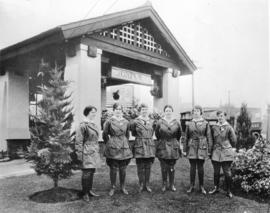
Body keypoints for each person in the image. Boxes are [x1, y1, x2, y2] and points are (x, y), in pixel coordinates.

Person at [102, 103, 133, 196]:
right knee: (113, 167)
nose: (118, 111)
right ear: (113, 110)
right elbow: (105, 134)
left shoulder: (126, 122)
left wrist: (125, 142)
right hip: (113, 146)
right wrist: (110, 142)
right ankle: (113, 187)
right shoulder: (109, 121)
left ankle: (123, 187)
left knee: (123, 168)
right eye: (116, 109)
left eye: (120, 109)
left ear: (122, 110)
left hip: (124, 146)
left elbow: (127, 135)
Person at [183, 105, 212, 195]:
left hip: (202, 146)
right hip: (192, 146)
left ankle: (201, 186)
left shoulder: (205, 123)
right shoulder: (189, 123)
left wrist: (209, 149)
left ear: (201, 112)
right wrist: (184, 149)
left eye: (197, 111)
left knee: (200, 167)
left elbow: (209, 137)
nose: (195, 113)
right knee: (192, 167)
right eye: (194, 111)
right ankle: (191, 186)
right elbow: (186, 137)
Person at [75, 105, 101, 202]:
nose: (94, 114)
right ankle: (85, 193)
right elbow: (78, 141)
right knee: (86, 173)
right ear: (87, 113)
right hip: (86, 151)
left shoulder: (93, 124)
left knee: (91, 172)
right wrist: (79, 154)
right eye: (92, 112)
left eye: (95, 112)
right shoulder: (83, 125)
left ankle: (89, 190)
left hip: (93, 151)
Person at [209, 110, 237, 198]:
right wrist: (210, 151)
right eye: (218, 116)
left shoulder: (229, 127)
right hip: (216, 152)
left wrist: (231, 149)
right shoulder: (214, 127)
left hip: (226, 152)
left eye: (222, 116)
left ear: (224, 116)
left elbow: (234, 140)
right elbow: (211, 140)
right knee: (216, 172)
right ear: (217, 117)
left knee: (227, 173)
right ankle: (216, 188)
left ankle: (229, 191)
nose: (220, 118)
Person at [155, 105, 182, 192]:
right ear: (164, 112)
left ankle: (172, 184)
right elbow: (157, 134)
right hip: (163, 146)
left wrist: (174, 142)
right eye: (166, 111)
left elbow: (179, 135)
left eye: (170, 110)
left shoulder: (176, 122)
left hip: (173, 145)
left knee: (172, 166)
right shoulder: (160, 122)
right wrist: (163, 140)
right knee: (163, 166)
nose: (168, 112)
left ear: (172, 112)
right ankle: (164, 184)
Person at [130, 103, 155, 193]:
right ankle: (141, 184)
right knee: (140, 165)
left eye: (146, 109)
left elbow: (152, 132)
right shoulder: (135, 121)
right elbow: (133, 133)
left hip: (149, 144)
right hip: (139, 144)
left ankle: (147, 184)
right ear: (140, 111)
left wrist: (147, 138)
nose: (144, 111)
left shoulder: (152, 121)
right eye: (143, 109)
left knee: (148, 165)